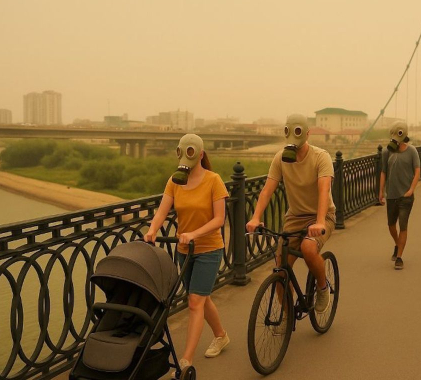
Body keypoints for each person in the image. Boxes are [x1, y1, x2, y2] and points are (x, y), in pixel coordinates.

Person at [144, 134, 230, 374]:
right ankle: (221, 335)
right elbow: (162, 210)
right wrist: (152, 230)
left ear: (200, 154)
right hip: (184, 250)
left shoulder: (214, 180)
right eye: (182, 152)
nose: (186, 156)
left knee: (194, 302)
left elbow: (219, 219)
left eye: (191, 152)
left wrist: (194, 233)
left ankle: (185, 361)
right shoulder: (175, 181)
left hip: (209, 249)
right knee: (201, 297)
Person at [246, 113, 336, 325]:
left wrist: (320, 221)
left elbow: (324, 190)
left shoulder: (321, 157)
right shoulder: (280, 158)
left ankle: (322, 287)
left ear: (307, 134)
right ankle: (287, 317)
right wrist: (256, 217)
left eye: (298, 132)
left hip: (322, 214)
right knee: (281, 269)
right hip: (295, 217)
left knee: (308, 248)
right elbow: (267, 190)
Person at [379, 121, 421, 270]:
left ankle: (399, 257)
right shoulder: (387, 152)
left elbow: (417, 171)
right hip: (391, 195)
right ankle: (398, 244)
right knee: (391, 225)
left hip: (406, 196)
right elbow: (383, 172)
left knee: (403, 225)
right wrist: (381, 191)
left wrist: (411, 190)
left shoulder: (412, 151)